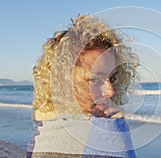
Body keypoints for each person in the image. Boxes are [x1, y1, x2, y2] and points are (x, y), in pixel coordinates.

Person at [27, 14, 139, 158]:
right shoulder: (108, 134)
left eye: (112, 78)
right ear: (62, 80)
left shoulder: (42, 131)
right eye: (95, 79)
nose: (110, 92)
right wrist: (118, 130)